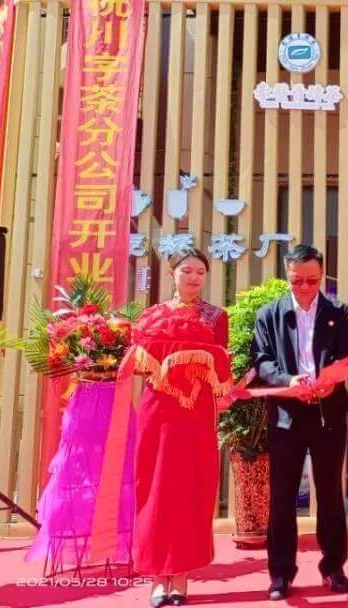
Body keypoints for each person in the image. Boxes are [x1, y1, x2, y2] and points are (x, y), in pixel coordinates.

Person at [251, 244, 348, 601]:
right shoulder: (269, 314)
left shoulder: (338, 312)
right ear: (287, 275)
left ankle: (334, 567)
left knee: (329, 494)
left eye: (312, 281)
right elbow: (261, 361)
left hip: (328, 413)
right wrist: (288, 380)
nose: (305, 288)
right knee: (282, 496)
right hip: (287, 414)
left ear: (322, 275)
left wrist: (330, 380)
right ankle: (281, 573)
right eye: (297, 281)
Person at [134, 249, 229, 607]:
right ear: (171, 274)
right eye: (187, 271)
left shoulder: (216, 317)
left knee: (190, 488)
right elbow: (138, 363)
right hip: (158, 410)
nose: (193, 278)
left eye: (201, 272)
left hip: (196, 412)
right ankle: (159, 576)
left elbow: (222, 364)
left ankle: (182, 576)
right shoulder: (151, 316)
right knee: (156, 487)